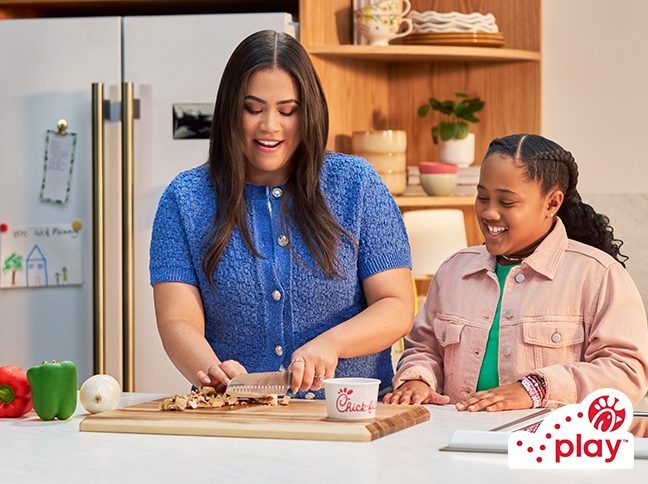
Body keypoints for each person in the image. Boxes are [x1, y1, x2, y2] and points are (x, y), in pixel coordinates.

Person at [149, 30, 414, 398]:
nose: (270, 125)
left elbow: (397, 305)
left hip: (348, 416)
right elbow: (177, 319)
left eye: (287, 111)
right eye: (253, 108)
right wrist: (210, 368)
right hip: (236, 419)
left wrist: (332, 344)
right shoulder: (185, 199)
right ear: (230, 109)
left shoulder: (357, 184)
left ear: (308, 113)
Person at [384, 133, 648, 410]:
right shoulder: (453, 271)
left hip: (550, 447)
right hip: (452, 443)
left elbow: (626, 372)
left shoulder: (598, 275)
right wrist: (417, 380)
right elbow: (423, 349)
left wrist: (537, 388)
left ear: (552, 203)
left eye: (506, 203)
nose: (489, 213)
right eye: (482, 197)